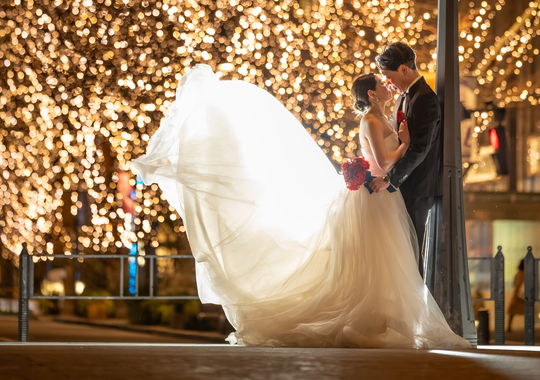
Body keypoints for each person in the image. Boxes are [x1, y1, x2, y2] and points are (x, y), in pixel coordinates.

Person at [130, 63, 468, 349]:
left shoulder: (385, 117)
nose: (387, 85)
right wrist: (405, 144)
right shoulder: (372, 121)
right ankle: (370, 320)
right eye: (381, 83)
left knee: (381, 261)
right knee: (374, 260)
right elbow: (380, 165)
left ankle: (380, 318)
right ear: (371, 94)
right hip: (374, 196)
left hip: (380, 198)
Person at [371, 42, 442, 276]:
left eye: (388, 76)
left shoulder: (426, 99)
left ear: (403, 69)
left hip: (418, 187)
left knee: (411, 250)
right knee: (400, 249)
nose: (387, 83)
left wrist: (391, 180)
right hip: (404, 186)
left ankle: (416, 307)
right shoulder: (403, 99)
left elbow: (420, 148)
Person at [507, 259, 525, 333]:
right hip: (523, 295)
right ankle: (529, 327)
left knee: (512, 311)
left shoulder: (518, 273)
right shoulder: (526, 273)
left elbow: (514, 283)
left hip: (517, 294)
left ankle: (509, 327)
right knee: (528, 311)